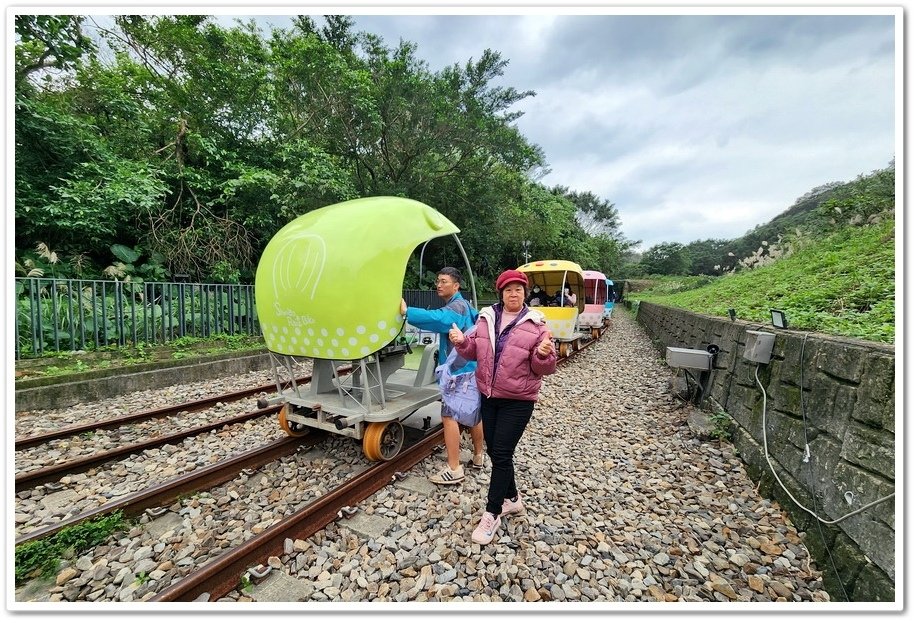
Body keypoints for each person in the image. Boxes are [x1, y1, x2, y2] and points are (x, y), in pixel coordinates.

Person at [448, 269, 557, 545]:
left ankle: (492, 512)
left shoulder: (537, 324)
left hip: (518, 400)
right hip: (489, 396)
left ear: (525, 293)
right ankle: (513, 499)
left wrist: (543, 355)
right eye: (508, 289)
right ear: (501, 292)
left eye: (519, 289)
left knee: (502, 452)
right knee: (497, 451)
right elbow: (475, 350)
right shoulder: (486, 318)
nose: (514, 293)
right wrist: (462, 343)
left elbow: (544, 367)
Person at [401, 267, 484, 485]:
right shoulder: (466, 304)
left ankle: (454, 468)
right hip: (471, 367)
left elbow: (439, 319)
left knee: (449, 416)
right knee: (474, 413)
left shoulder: (455, 306)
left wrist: (407, 312)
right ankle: (478, 456)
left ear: (456, 286)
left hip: (458, 371)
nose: (439, 285)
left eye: (444, 281)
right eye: (437, 281)